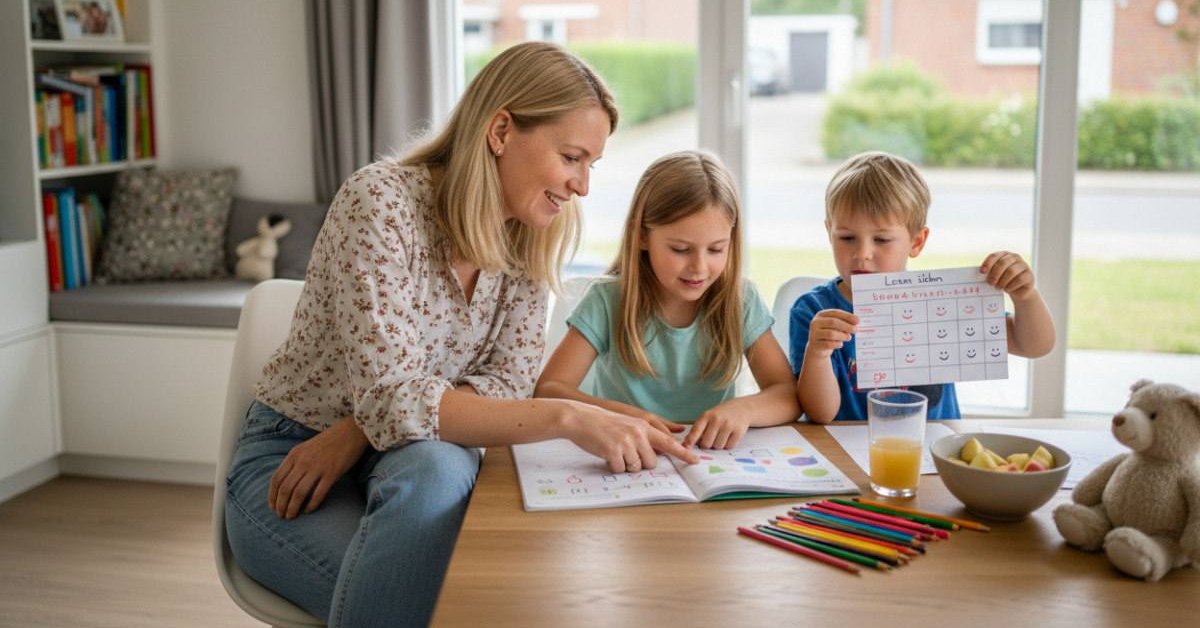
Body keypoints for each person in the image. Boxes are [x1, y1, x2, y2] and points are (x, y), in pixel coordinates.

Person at [224, 41, 700, 628]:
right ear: (501, 129)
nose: (581, 187)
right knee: (459, 598)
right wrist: (566, 417)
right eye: (572, 157)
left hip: (406, 452)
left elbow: (505, 382)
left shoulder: (532, 233)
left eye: (590, 166)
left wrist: (360, 431)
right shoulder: (380, 203)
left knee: (440, 475)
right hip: (292, 457)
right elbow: (398, 399)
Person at [535, 149, 801, 450]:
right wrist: (621, 416)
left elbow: (788, 395)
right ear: (642, 236)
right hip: (625, 457)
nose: (699, 267)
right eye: (680, 249)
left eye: (715, 250)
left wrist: (746, 408)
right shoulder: (607, 301)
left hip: (707, 462)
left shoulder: (741, 301)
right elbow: (549, 390)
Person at [790, 151, 1056, 424]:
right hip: (848, 453)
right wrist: (818, 353)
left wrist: (1025, 297)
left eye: (881, 239)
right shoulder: (812, 311)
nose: (862, 253)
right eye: (846, 237)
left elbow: (1034, 346)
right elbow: (820, 414)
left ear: (916, 242)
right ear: (829, 234)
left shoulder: (938, 301)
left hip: (933, 450)